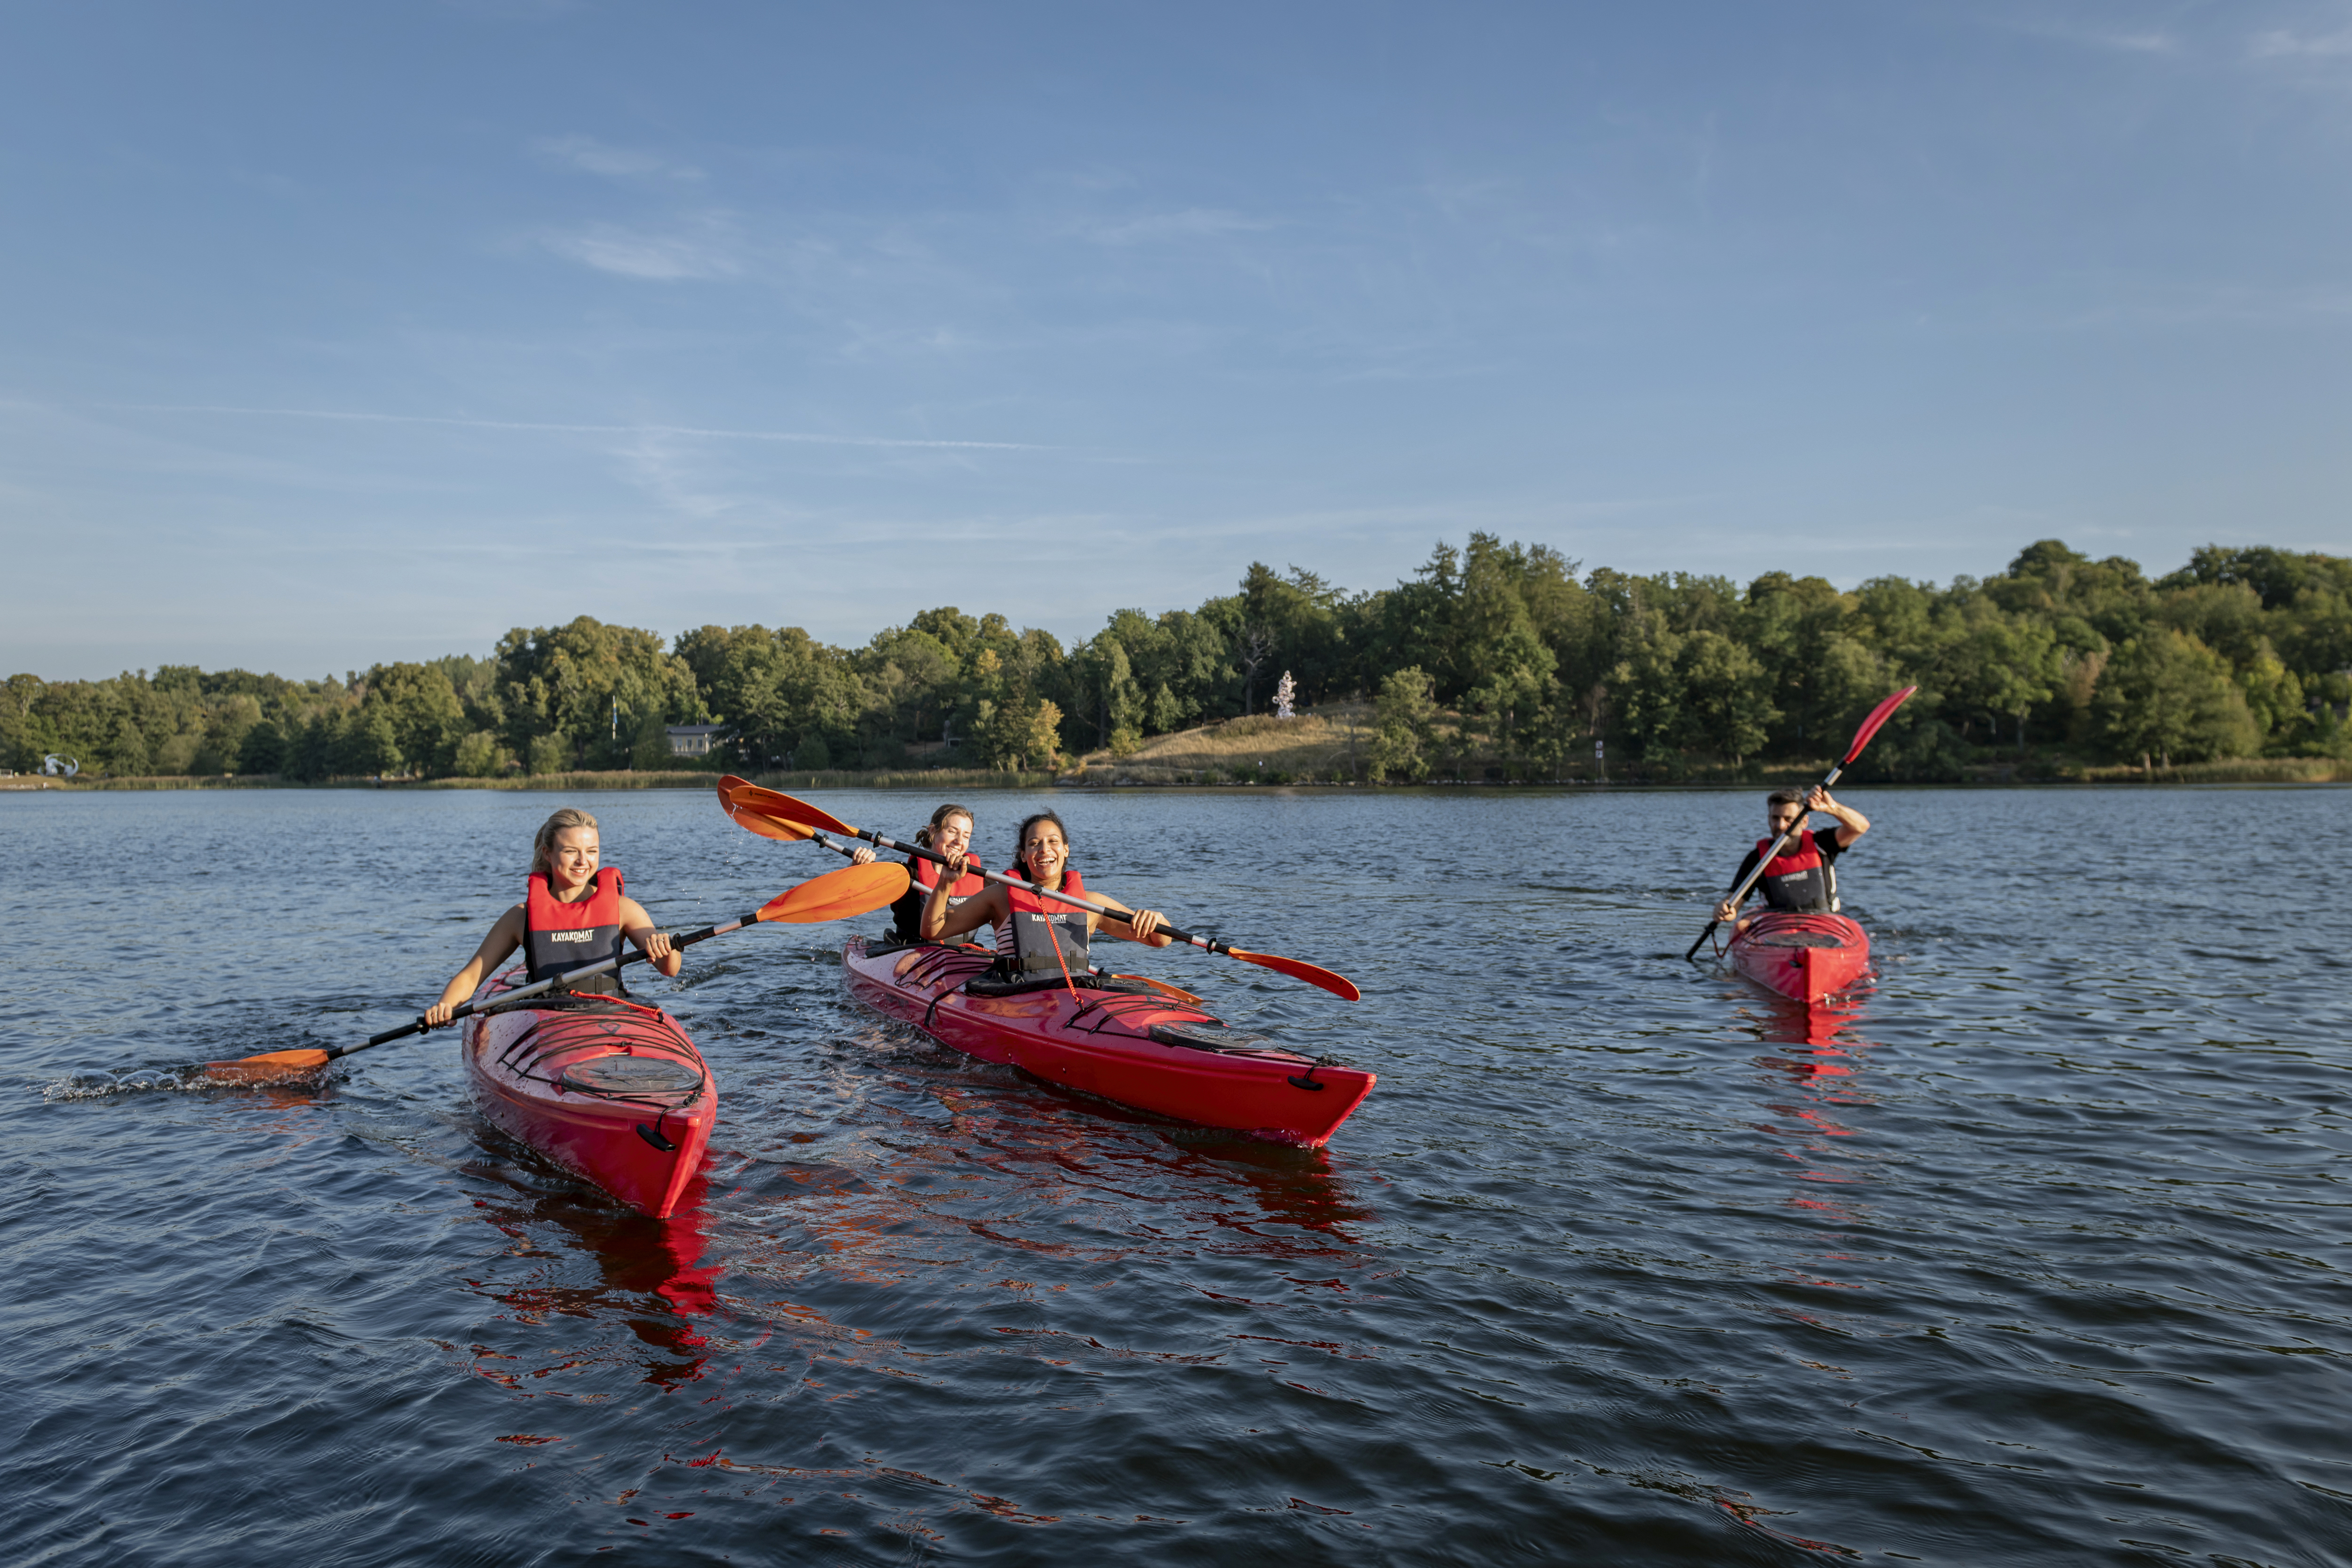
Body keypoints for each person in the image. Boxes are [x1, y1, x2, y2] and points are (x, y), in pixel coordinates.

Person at [422, 807, 681, 1027]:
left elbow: (669, 969)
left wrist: (664, 947)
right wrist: (444, 1006)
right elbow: (471, 976)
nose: (583, 861)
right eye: (571, 851)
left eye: (592, 851)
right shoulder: (520, 917)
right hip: (546, 1021)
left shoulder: (624, 909)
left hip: (607, 1017)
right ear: (548, 853)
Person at [920, 809, 1170, 976]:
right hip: (1018, 999)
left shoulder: (1090, 904)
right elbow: (932, 930)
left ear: (1066, 850)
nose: (1044, 850)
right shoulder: (999, 897)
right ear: (1023, 855)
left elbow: (1160, 940)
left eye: (1053, 841)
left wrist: (1156, 920)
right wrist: (945, 883)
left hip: (1073, 1000)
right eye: (1034, 844)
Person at [1712, 785, 1871, 932]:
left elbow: (1860, 827)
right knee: (1741, 926)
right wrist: (1725, 910)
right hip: (1778, 927)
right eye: (1775, 818)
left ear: (1804, 821)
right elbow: (1733, 906)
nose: (1780, 826)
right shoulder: (1757, 858)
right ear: (1769, 819)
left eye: (1789, 819)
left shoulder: (1822, 844)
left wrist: (1832, 809)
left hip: (1824, 923)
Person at [880, 803, 988, 941]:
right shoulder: (908, 875)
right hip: (913, 949)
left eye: (966, 836)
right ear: (932, 831)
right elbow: (869, 890)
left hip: (965, 952)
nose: (959, 841)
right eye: (953, 832)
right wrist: (859, 865)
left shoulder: (980, 877)